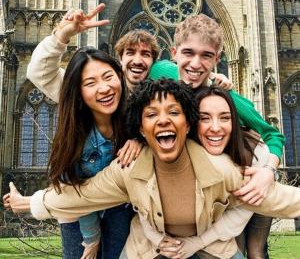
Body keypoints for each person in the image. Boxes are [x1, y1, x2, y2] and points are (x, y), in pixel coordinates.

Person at [4, 79, 300, 259]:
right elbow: (80, 196)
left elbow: (282, 200)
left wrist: (269, 171)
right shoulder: (127, 170)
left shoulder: (219, 170)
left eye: (174, 112)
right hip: (146, 250)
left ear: (187, 125)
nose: (163, 121)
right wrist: (31, 202)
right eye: (151, 115)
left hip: (213, 250)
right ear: (141, 130)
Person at [26, 4, 142, 259]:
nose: (104, 89)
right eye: (90, 82)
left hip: (118, 207)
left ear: (120, 77)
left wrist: (138, 141)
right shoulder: (75, 114)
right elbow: (38, 73)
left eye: (108, 77)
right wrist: (63, 35)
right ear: (78, 91)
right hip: (75, 209)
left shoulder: (134, 108)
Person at [170, 15, 285, 258]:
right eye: (188, 53)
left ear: (217, 60)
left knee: (252, 251)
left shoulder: (228, 98)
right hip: (209, 194)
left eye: (206, 56)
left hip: (250, 178)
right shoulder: (162, 73)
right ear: (174, 53)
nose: (195, 63)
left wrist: (268, 172)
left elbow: (274, 134)